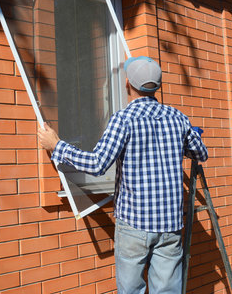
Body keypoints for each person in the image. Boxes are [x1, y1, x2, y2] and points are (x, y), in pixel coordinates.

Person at [38, 56, 208, 293]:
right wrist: (188, 138)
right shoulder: (178, 118)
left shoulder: (124, 119)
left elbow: (98, 164)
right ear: (157, 86)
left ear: (127, 83)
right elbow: (200, 154)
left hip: (134, 225)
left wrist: (57, 146)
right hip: (170, 224)